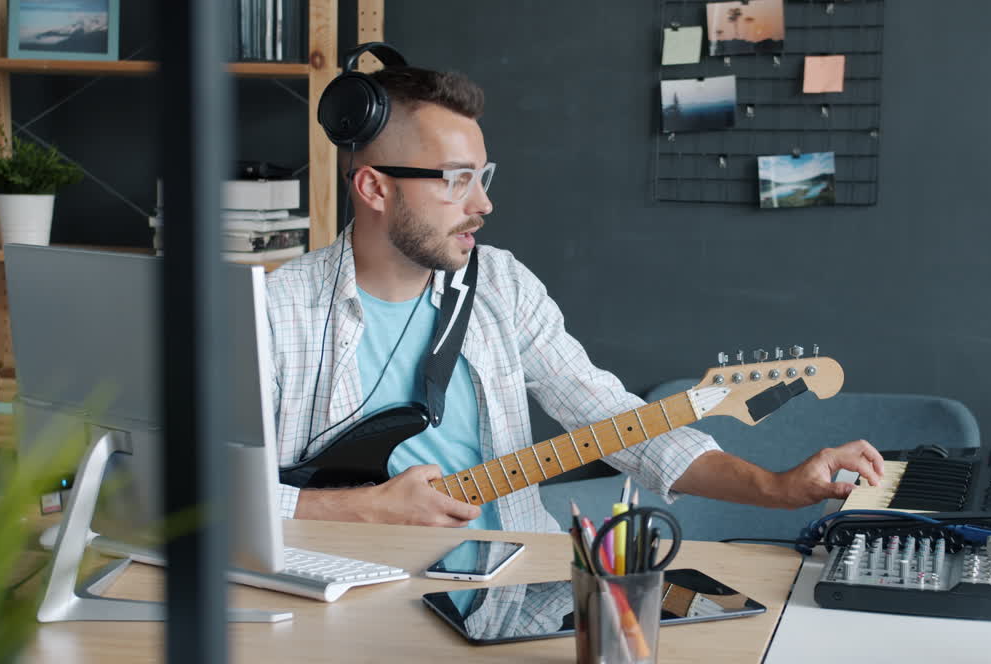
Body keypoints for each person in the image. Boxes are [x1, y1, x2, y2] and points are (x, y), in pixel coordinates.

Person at [266, 62, 884, 533]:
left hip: (507, 601)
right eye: (457, 181)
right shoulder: (274, 312)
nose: (483, 204)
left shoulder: (501, 285)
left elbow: (613, 423)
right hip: (346, 615)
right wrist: (359, 508)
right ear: (374, 188)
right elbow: (193, 496)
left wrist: (778, 487)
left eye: (483, 179)